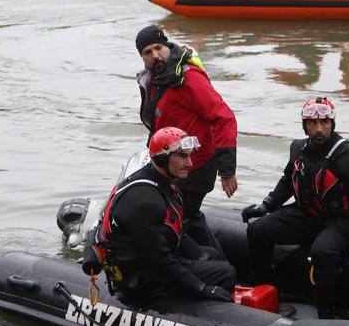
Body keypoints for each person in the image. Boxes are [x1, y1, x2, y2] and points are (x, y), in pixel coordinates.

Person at [241, 97, 349, 318]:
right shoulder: (298, 148)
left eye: (324, 123)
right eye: (312, 123)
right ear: (304, 125)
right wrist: (267, 205)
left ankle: (328, 310)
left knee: (322, 251)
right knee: (257, 231)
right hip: (307, 214)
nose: (319, 129)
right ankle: (268, 292)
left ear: (332, 124)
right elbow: (288, 181)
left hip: (342, 220)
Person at [82, 127, 236, 303]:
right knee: (226, 274)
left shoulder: (162, 183)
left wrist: (203, 256)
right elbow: (160, 260)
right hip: (138, 278)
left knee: (212, 256)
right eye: (182, 157)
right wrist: (202, 289)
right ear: (162, 158)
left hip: (150, 260)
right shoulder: (145, 202)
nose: (189, 163)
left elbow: (176, 234)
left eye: (189, 156)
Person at [136, 25, 237, 252]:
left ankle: (219, 268)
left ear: (168, 47)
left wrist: (227, 170)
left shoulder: (188, 79)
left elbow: (225, 118)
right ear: (142, 57)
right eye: (147, 53)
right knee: (181, 215)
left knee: (187, 217)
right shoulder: (155, 79)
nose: (155, 56)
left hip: (196, 164)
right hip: (170, 163)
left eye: (158, 48)